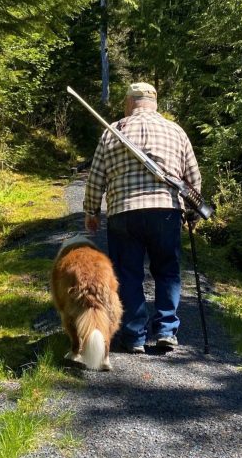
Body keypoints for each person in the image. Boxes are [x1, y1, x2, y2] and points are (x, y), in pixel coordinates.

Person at [83, 81, 202, 354]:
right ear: (155, 103)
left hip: (124, 211)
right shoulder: (176, 131)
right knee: (167, 271)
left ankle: (135, 335)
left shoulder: (113, 131)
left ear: (129, 103)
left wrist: (91, 211)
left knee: (128, 273)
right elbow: (193, 177)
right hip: (166, 209)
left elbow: (96, 177)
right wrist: (193, 211)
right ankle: (166, 331)